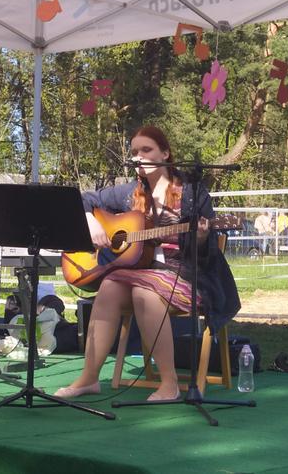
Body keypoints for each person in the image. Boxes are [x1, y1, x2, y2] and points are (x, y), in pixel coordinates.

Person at [54, 126, 240, 400]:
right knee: (108, 286)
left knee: (144, 292)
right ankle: (88, 378)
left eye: (146, 150)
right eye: (134, 152)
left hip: (188, 276)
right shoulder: (130, 193)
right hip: (143, 272)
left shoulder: (192, 192)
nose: (139, 157)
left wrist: (200, 238)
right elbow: (83, 200)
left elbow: (207, 254)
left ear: (165, 153)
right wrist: (91, 220)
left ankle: (169, 383)